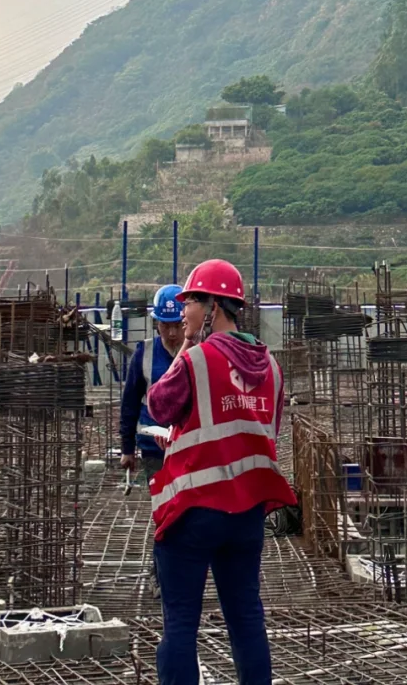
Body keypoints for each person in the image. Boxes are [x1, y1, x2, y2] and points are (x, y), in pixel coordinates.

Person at [146, 258, 296, 685]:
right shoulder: (272, 367)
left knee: (180, 623)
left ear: (213, 307)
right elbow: (259, 430)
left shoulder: (197, 359)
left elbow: (159, 405)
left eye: (191, 301)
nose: (184, 312)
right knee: (247, 619)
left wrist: (187, 347)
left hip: (195, 510)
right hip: (247, 513)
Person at [120, 284, 186, 483]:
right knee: (162, 503)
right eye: (166, 326)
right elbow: (129, 402)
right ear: (156, 323)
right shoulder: (144, 353)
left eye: (177, 325)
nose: (172, 333)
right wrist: (127, 448)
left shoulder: (199, 351)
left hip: (189, 445)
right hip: (153, 447)